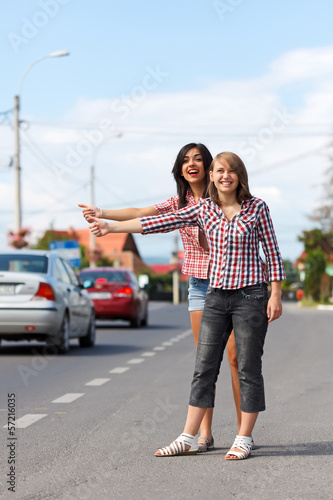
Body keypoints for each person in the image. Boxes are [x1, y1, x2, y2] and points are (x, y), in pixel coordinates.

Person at [87, 151, 285, 460]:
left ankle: (244, 437)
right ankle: (189, 437)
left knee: (247, 366)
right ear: (212, 177)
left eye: (231, 171)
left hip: (251, 297)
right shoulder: (204, 209)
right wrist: (111, 227)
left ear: (240, 176)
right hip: (217, 296)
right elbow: (162, 221)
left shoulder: (257, 208)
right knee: (203, 366)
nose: (225, 175)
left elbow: (272, 253)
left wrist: (275, 294)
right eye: (220, 170)